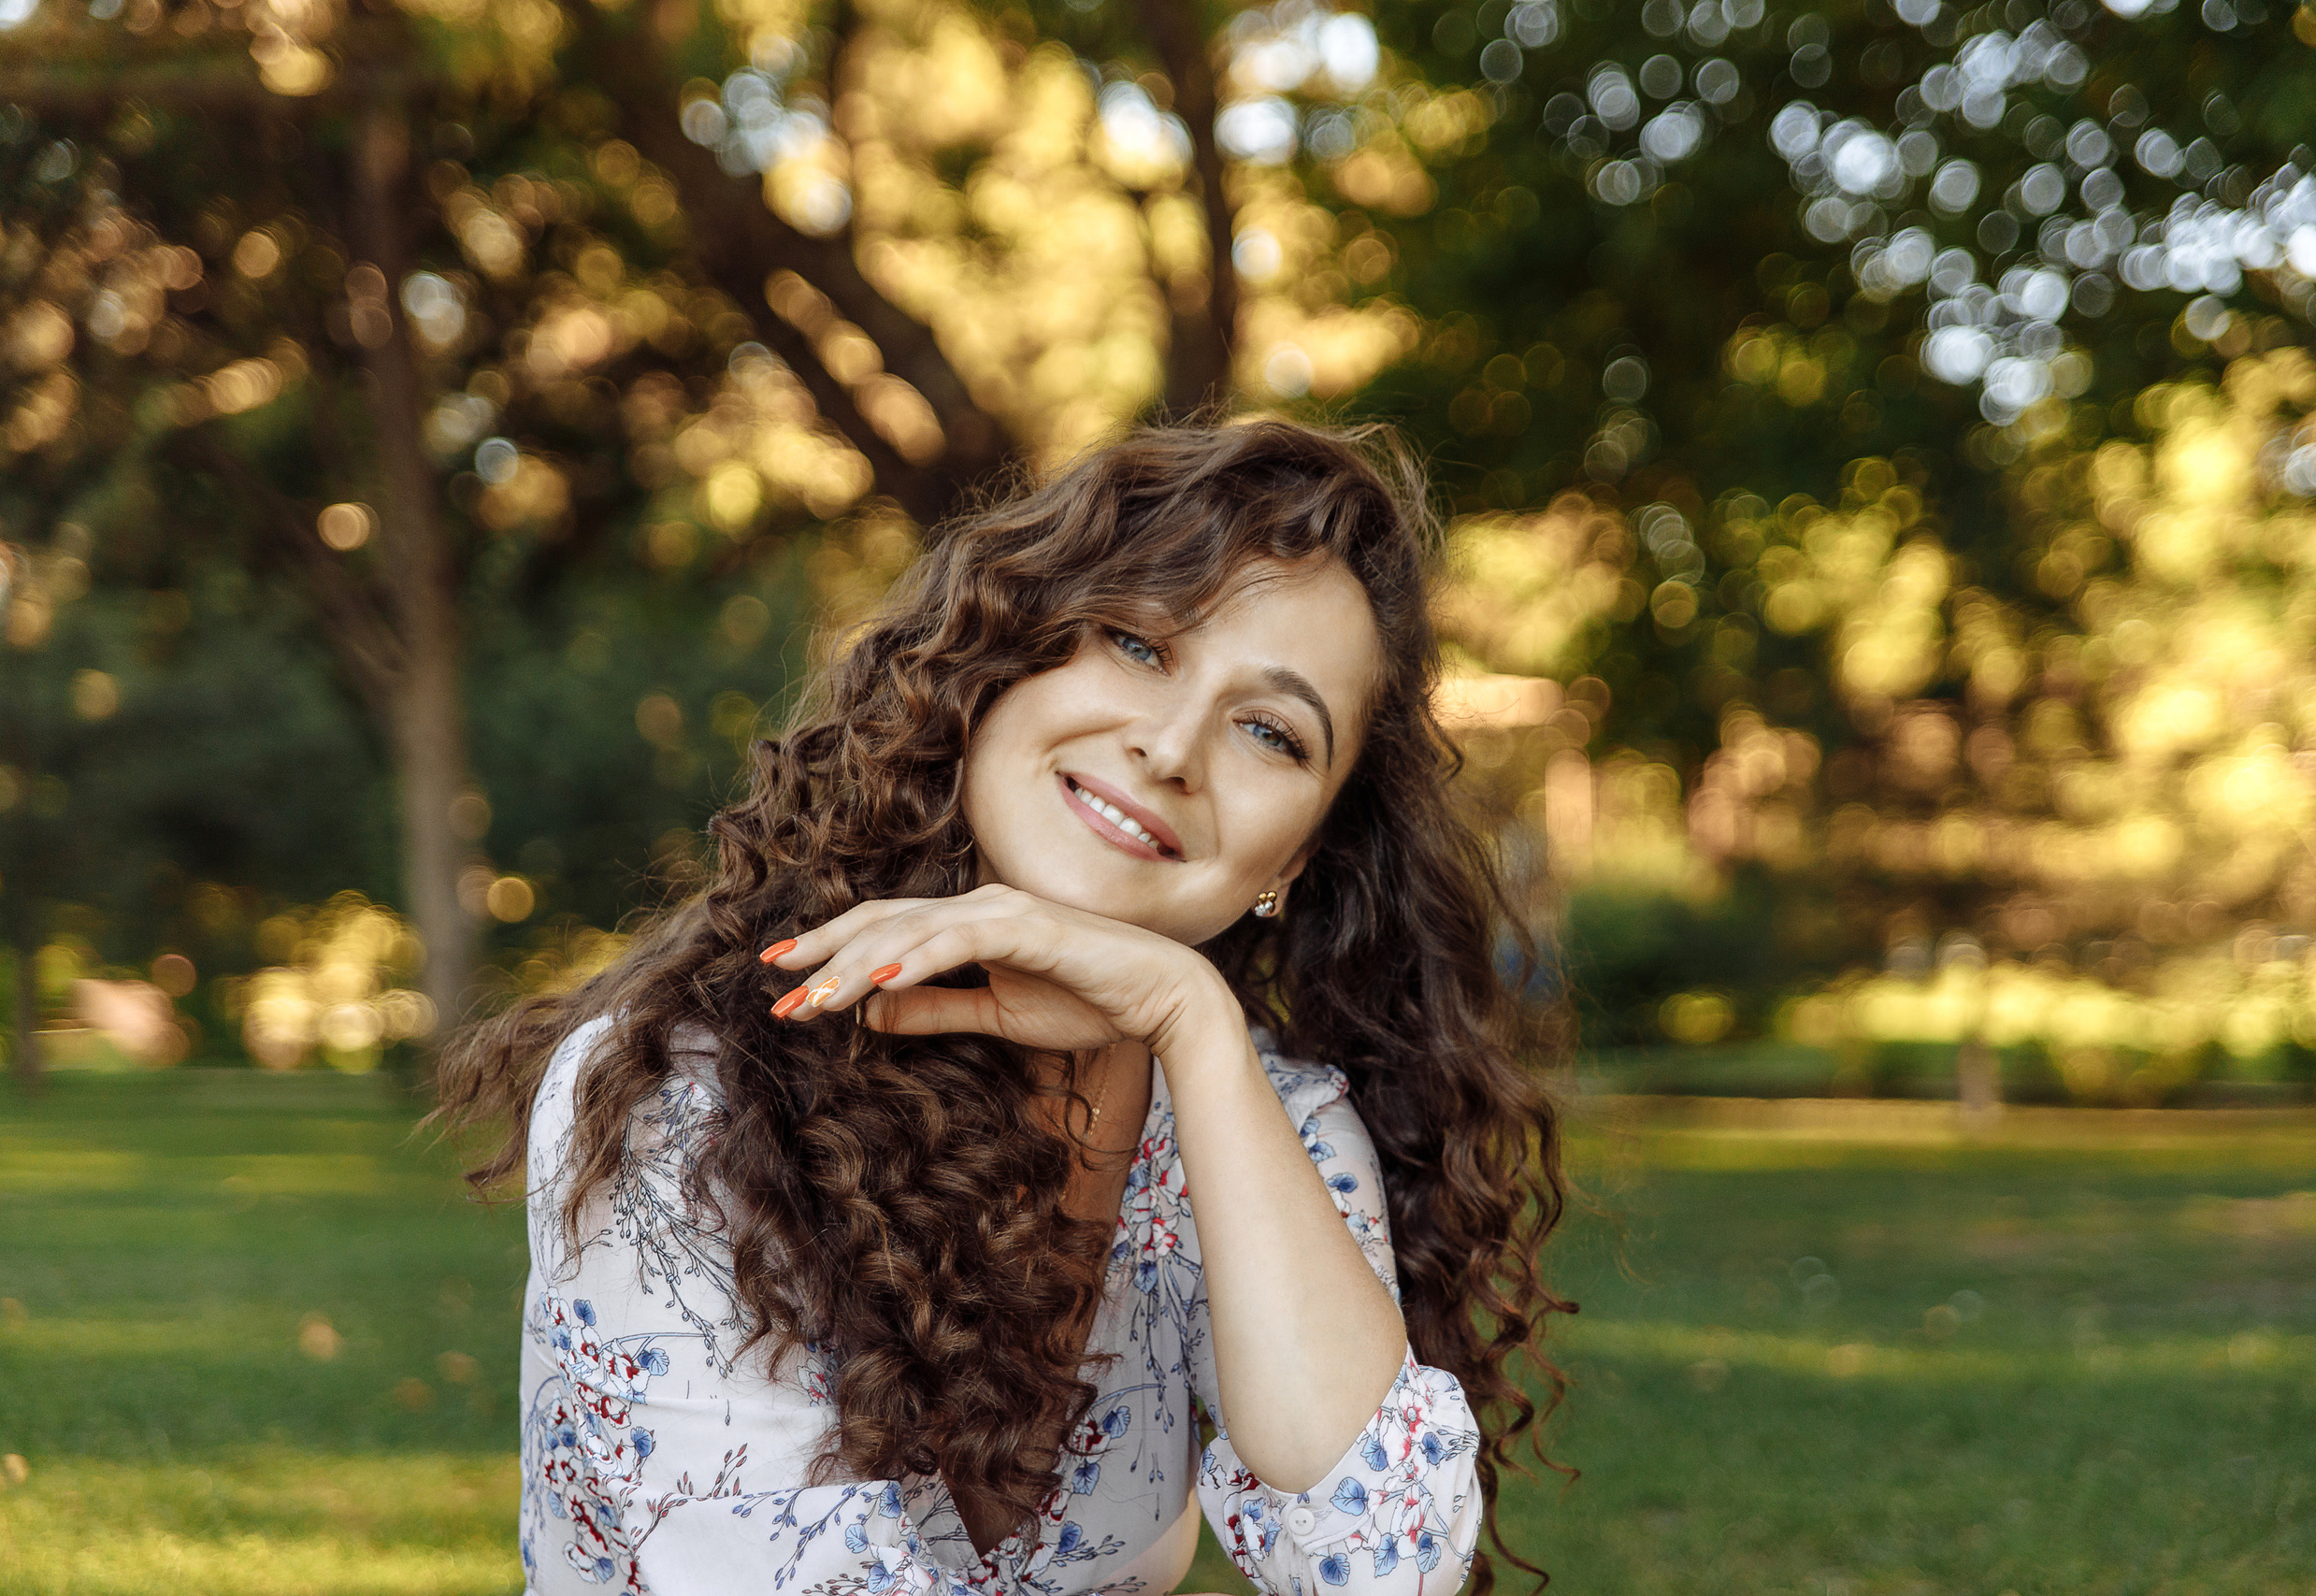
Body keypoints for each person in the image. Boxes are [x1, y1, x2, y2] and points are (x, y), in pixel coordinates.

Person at [438, 419, 1570, 1596]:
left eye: (1270, 732)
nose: (1172, 747)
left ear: (1301, 853)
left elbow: (1382, 1565)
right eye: (1137, 643)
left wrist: (1188, 1015)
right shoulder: (691, 1098)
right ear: (1000, 658)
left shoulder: (1245, 1120)